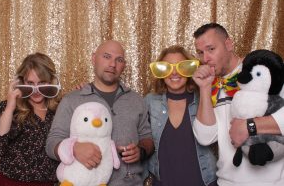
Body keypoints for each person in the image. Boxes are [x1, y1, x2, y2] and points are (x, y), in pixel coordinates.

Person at [46, 40, 154, 186]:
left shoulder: (136, 100)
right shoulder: (72, 100)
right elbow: (52, 142)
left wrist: (140, 152)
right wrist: (74, 148)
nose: (112, 64)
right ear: (93, 58)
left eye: (119, 60)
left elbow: (147, 138)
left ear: (124, 66)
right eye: (106, 56)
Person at [192, 22, 284, 186]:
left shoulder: (264, 72)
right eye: (200, 52)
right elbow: (205, 138)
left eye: (211, 49)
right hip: (227, 182)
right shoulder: (211, 84)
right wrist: (205, 89)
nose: (205, 59)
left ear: (229, 44)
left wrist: (250, 126)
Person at [144, 45, 217, 186]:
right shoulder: (150, 102)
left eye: (181, 66)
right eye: (167, 67)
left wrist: (205, 88)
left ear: (190, 69)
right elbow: (141, 138)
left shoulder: (203, 99)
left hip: (202, 181)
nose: (175, 72)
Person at [0, 52, 61, 186]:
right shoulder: (9, 108)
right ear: (21, 82)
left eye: (42, 83)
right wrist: (10, 107)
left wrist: (82, 94)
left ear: (51, 82)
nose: (36, 90)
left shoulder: (60, 109)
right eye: (30, 83)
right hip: (9, 182)